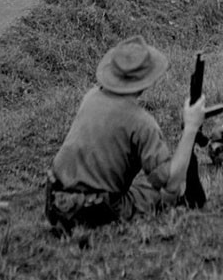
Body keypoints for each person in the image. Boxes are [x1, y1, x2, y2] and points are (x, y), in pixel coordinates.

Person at [45, 35, 206, 236]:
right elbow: (172, 183)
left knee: (140, 188)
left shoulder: (91, 96)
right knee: (163, 194)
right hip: (94, 210)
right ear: (147, 80)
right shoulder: (141, 122)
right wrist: (191, 126)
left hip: (54, 201)